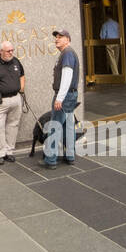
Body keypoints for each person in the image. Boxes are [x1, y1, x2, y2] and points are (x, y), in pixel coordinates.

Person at [42, 29, 82, 168]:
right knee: (68, 126)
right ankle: (70, 155)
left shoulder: (67, 54)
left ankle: (50, 159)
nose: (56, 39)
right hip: (70, 95)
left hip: (64, 96)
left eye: (60, 37)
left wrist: (59, 98)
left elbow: (67, 77)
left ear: (68, 40)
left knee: (55, 126)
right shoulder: (67, 53)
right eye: (56, 37)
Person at [99, 11, 121, 76]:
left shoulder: (105, 24)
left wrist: (103, 41)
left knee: (111, 59)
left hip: (109, 42)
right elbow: (120, 33)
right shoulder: (117, 24)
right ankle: (114, 72)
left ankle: (115, 75)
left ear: (106, 17)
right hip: (117, 42)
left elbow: (102, 36)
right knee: (116, 58)